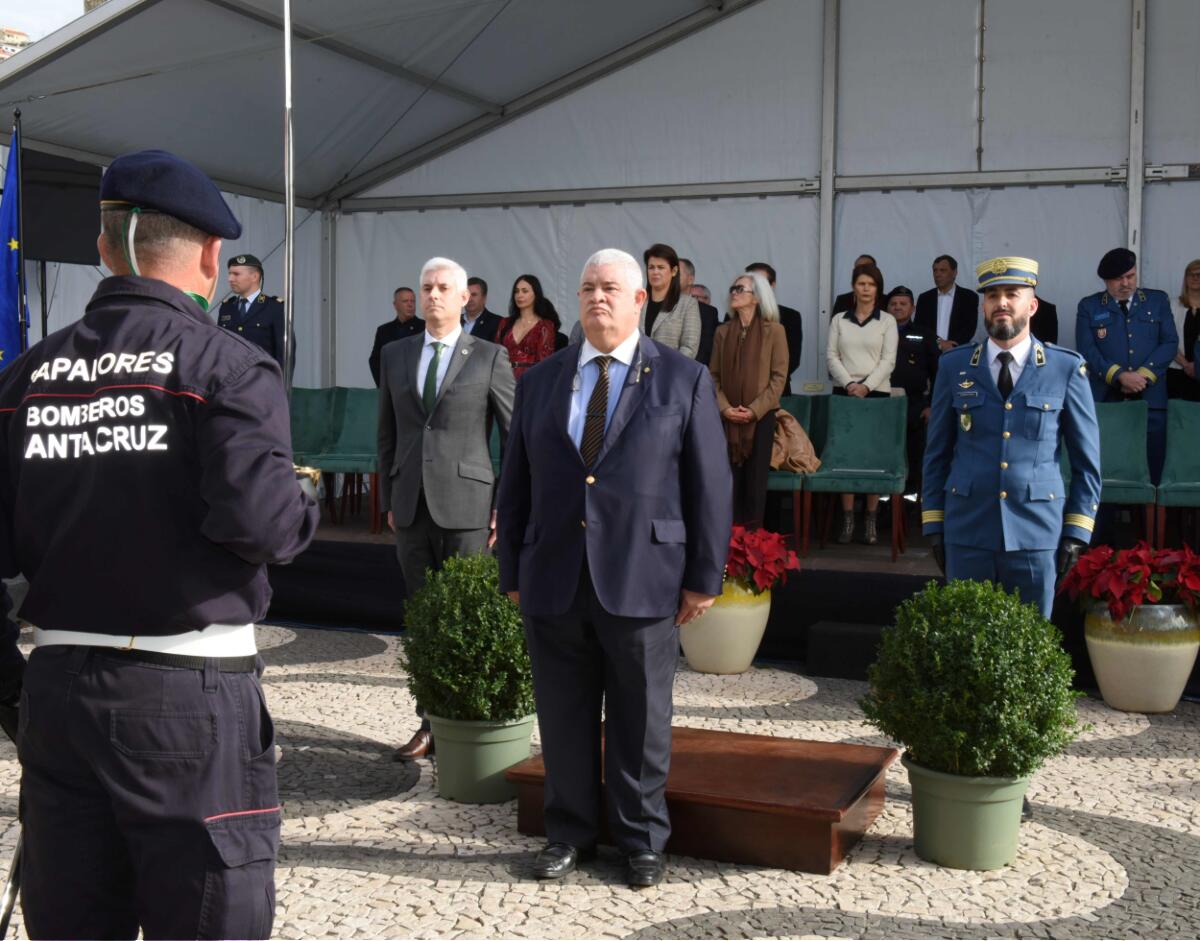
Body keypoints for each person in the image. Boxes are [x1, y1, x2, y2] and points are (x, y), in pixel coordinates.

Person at [0, 149, 319, 939]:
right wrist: (303, 496)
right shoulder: (227, 365)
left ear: (103, 247)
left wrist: (13, 690)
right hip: (190, 701)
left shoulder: (27, 378)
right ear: (211, 256)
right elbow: (264, 525)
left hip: (60, 697)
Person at [496, 248, 731, 889]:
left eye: (610, 288)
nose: (597, 297)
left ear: (639, 301)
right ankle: (568, 833)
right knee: (563, 716)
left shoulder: (682, 378)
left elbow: (710, 485)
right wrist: (510, 569)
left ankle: (641, 839)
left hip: (643, 574)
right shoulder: (540, 380)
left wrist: (704, 577)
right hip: (554, 574)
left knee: (641, 718)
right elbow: (515, 483)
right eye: (587, 288)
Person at [378, 256, 515, 761]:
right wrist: (390, 495)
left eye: (443, 288)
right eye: (427, 287)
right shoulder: (395, 354)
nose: (433, 295)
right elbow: (387, 431)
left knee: (465, 614)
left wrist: (505, 504)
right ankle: (429, 722)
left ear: (464, 298)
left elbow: (515, 438)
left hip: (468, 506)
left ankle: (469, 722)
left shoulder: (490, 356)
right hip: (410, 503)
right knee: (422, 618)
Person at [923, 256, 1101, 619]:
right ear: (983, 306)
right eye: (992, 296)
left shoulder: (1065, 368)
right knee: (968, 640)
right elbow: (936, 453)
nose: (1001, 303)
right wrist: (934, 523)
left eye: (1012, 294)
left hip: (1036, 533)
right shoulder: (954, 366)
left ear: (1032, 306)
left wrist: (1077, 531)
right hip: (967, 529)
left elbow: (1087, 464)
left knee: (1031, 638)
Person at [1076, 247, 1177, 482]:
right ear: (1105, 281)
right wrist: (1119, 375)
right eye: (1118, 279)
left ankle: (1149, 508)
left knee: (1153, 468)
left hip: (1151, 399)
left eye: (1130, 276)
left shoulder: (1157, 300)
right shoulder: (1090, 306)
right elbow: (1087, 350)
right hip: (1107, 399)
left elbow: (1170, 342)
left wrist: (1143, 375)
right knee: (1108, 465)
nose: (1126, 283)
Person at [826, 263, 898, 545]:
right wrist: (850, 384)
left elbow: (888, 360)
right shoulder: (839, 320)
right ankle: (848, 518)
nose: (866, 289)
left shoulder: (887, 321)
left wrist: (866, 386)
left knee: (872, 457)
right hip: (844, 393)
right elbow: (831, 356)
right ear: (853, 287)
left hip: (876, 394)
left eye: (871, 284)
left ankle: (870, 518)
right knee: (846, 456)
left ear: (878, 289)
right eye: (861, 283)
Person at [710, 272, 789, 527]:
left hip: (761, 419)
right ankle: (729, 541)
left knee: (755, 485)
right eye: (733, 289)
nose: (734, 293)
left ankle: (753, 543)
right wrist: (725, 408)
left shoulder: (774, 331)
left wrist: (754, 410)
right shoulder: (722, 332)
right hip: (727, 419)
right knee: (728, 482)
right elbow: (713, 376)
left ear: (757, 298)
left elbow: (779, 378)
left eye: (740, 289)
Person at [887, 286, 939, 495]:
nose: (897, 307)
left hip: (914, 405)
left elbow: (938, 374)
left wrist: (931, 405)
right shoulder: (878, 332)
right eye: (893, 304)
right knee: (883, 451)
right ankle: (882, 502)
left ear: (913, 308)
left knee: (912, 454)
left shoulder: (924, 335)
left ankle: (908, 500)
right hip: (882, 403)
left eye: (903, 304)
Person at [216, 252, 293, 374]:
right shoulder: (227, 307)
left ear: (255, 277)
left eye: (236, 274)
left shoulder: (274, 307)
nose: (230, 279)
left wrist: (279, 383)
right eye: (230, 274)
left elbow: (284, 353)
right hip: (231, 380)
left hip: (261, 380)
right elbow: (220, 349)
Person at [746, 262, 803, 394]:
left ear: (772, 285)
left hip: (777, 389)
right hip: (741, 389)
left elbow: (792, 359)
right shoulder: (733, 316)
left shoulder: (790, 316)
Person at [642, 243, 701, 359]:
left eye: (661, 267)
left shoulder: (687, 304)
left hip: (669, 368)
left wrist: (667, 368)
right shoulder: (637, 301)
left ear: (674, 271)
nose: (655, 272)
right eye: (651, 267)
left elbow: (689, 348)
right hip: (636, 368)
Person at [496, 274, 560, 380]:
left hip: (531, 381)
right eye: (516, 291)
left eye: (525, 291)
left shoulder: (545, 326)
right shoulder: (505, 323)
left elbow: (544, 363)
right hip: (503, 380)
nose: (519, 295)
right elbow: (496, 354)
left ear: (536, 294)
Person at [915, 254, 979, 351]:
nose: (937, 274)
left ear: (954, 272)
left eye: (942, 270)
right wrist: (938, 343)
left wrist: (952, 346)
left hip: (957, 351)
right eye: (935, 270)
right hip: (929, 352)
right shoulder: (924, 298)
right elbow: (920, 328)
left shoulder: (969, 297)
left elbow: (969, 328)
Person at [368, 286, 423, 386]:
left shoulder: (426, 328)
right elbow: (375, 360)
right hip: (393, 388)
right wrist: (384, 386)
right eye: (405, 301)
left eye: (412, 301)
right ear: (395, 305)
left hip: (419, 388)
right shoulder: (384, 330)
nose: (410, 305)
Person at [1167, 259, 1200, 402]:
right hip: (1177, 371)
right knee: (1178, 413)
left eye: (1199, 274)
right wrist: (1186, 365)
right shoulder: (1172, 305)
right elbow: (1166, 338)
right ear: (1185, 278)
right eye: (1191, 274)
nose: (1195, 278)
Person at [679, 257, 719, 366]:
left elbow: (705, 349)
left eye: (678, 273)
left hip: (690, 369)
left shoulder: (707, 312)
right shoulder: (658, 305)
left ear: (690, 279)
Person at [462, 276, 503, 342]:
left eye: (474, 295)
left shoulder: (498, 323)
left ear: (484, 298)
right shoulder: (453, 321)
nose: (469, 299)